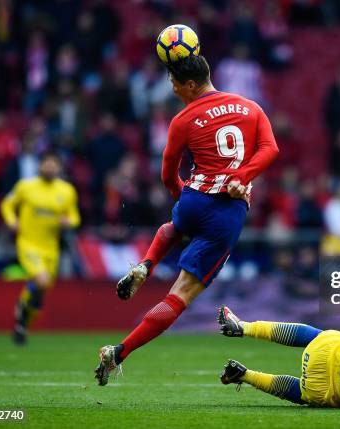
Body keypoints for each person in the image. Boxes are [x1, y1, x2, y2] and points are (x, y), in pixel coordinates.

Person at [95, 55, 279, 386]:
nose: (173, 89)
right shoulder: (251, 107)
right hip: (227, 211)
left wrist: (184, 194)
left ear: (191, 84)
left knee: (176, 226)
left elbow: (167, 174)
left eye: (175, 83)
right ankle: (118, 352)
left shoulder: (182, 119)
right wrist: (242, 176)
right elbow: (270, 149)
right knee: (179, 296)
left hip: (195, 196)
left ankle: (147, 264)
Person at [0, 151, 80, 345]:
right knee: (42, 281)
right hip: (28, 243)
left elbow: (75, 217)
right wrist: (12, 221)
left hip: (51, 249)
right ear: (40, 166)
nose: (50, 167)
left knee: (42, 290)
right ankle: (22, 312)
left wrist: (67, 222)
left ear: (59, 168)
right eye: (47, 163)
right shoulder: (25, 187)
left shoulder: (67, 191)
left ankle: (22, 324)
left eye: (54, 164)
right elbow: (7, 204)